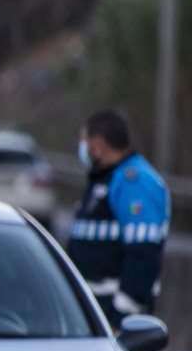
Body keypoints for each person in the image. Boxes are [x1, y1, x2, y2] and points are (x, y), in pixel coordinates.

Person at [68, 109, 170, 327]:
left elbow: (144, 254)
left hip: (113, 312)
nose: (83, 148)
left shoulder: (134, 181)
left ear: (98, 143)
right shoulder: (102, 179)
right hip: (92, 307)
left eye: (84, 140)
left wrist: (121, 316)